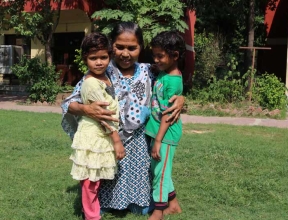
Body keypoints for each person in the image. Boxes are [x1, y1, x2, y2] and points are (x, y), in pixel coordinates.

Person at [61, 22, 184, 215]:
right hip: (110, 140)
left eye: (132, 48)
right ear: (112, 47)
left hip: (139, 143)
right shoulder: (101, 69)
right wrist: (87, 109)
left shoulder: (149, 71)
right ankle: (103, 206)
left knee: (142, 180)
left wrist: (182, 98)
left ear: (141, 47)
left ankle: (143, 204)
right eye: (120, 47)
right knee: (108, 177)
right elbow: (69, 103)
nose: (125, 53)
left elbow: (171, 78)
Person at [69, 32, 125, 220]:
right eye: (93, 58)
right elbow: (104, 116)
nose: (99, 62)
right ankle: (92, 217)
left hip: (102, 136)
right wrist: (117, 142)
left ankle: (92, 213)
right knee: (90, 181)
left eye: (103, 57)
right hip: (94, 136)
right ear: (85, 59)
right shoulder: (91, 83)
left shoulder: (107, 77)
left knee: (95, 179)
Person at [145, 31, 185, 220]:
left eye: (160, 55)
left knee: (160, 173)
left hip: (167, 134)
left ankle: (158, 211)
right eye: (154, 55)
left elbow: (168, 115)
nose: (156, 59)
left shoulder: (174, 81)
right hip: (159, 132)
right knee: (159, 170)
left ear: (175, 56)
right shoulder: (163, 73)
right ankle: (174, 204)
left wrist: (159, 140)